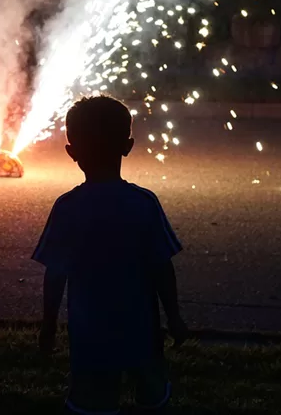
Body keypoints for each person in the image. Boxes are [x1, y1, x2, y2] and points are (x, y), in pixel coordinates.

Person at [32, 95, 187, 414]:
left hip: (90, 332)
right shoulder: (144, 203)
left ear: (71, 152)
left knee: (91, 402)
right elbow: (162, 266)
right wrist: (174, 316)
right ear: (128, 146)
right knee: (152, 395)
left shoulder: (67, 207)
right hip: (141, 328)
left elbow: (55, 273)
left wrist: (48, 325)